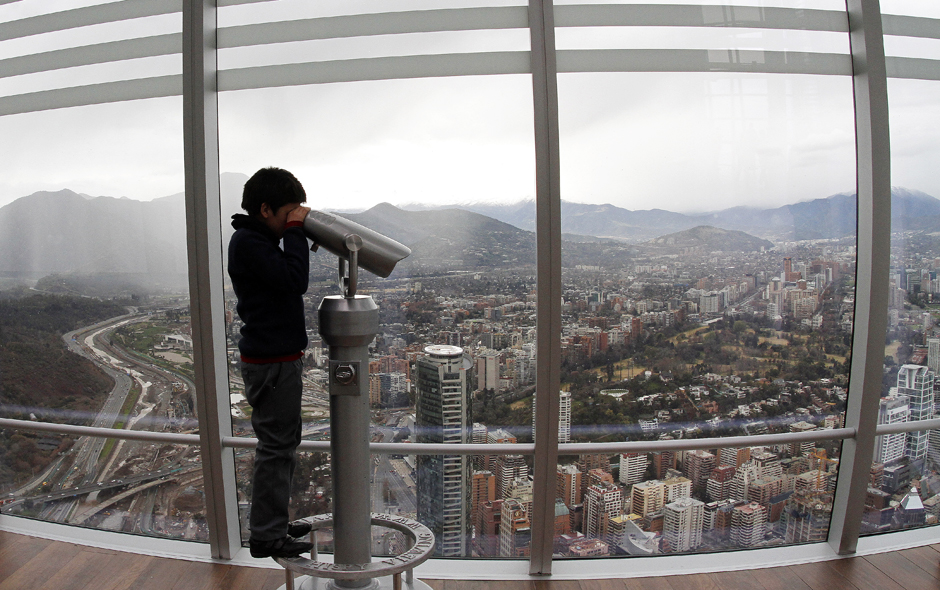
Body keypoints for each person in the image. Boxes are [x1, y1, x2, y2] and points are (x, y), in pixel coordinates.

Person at [228, 167, 314, 558]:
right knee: (276, 448)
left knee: (282, 445)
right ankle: (266, 535)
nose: (292, 221)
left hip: (276, 361)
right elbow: (296, 279)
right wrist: (297, 231)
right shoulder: (248, 243)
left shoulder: (255, 239)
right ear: (265, 209)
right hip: (273, 365)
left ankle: (273, 524)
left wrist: (290, 227)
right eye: (287, 214)